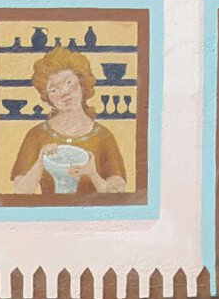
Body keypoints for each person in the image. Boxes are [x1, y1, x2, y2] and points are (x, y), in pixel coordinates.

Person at [7, 46, 129, 196]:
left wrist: (92, 173)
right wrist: (40, 163)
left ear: (82, 83)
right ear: (48, 97)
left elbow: (119, 193)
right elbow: (20, 192)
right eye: (54, 90)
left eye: (68, 82)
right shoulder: (36, 135)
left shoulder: (103, 136)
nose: (64, 92)